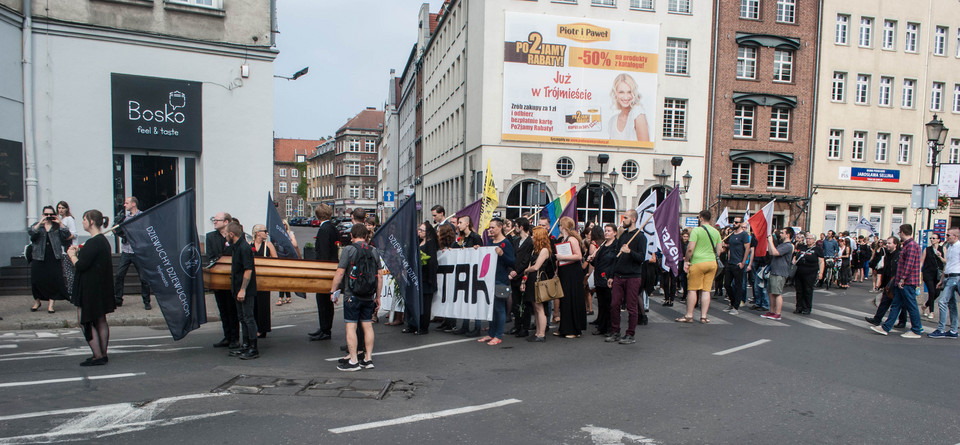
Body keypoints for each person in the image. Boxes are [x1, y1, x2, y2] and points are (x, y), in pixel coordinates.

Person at [66, 209, 116, 366]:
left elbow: (81, 265)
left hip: (90, 288)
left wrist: (72, 255)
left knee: (85, 321)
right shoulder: (101, 241)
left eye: (84, 219)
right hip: (99, 286)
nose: (82, 222)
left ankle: (98, 355)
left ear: (91, 221)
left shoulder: (95, 242)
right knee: (100, 319)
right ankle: (102, 353)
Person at [332, 224, 383, 371]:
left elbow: (340, 273)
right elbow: (379, 276)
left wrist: (333, 291)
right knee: (367, 326)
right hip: (368, 295)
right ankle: (368, 359)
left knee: (351, 326)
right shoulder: (374, 251)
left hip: (352, 295)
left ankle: (353, 360)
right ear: (366, 236)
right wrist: (378, 296)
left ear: (352, 236)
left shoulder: (349, 250)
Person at [870, 224, 924, 338]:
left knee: (911, 305)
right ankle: (886, 327)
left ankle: (916, 329)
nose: (899, 235)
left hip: (907, 282)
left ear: (903, 233)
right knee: (896, 304)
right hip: (902, 281)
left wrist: (902, 278)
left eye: (899, 233)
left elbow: (909, 265)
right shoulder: (907, 245)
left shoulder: (911, 246)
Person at [607, 210, 646, 343]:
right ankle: (615, 331)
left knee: (631, 306)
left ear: (633, 219)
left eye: (626, 218)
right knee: (614, 304)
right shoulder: (623, 236)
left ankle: (630, 334)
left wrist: (629, 252)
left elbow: (641, 258)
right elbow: (615, 259)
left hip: (633, 276)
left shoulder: (640, 237)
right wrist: (611, 276)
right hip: (619, 275)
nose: (623, 220)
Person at [677, 210, 721, 324]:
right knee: (706, 291)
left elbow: (690, 248)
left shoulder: (697, 230)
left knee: (692, 290)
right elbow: (719, 250)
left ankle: (689, 315)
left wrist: (686, 260)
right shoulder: (716, 232)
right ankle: (704, 316)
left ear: (701, 218)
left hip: (698, 262)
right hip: (711, 263)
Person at [205, 212, 240, 349]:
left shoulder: (234, 235)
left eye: (217, 220)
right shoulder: (210, 237)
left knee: (232, 309)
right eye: (213, 220)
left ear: (226, 222)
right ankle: (227, 336)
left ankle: (235, 338)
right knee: (223, 309)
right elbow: (211, 256)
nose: (214, 222)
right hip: (218, 278)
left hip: (231, 278)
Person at [478, 218, 515, 345]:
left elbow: (512, 262)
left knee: (499, 308)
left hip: (500, 280)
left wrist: (502, 254)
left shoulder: (506, 243)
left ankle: (498, 335)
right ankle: (491, 333)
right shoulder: (489, 242)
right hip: (489, 280)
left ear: (500, 227)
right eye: (490, 227)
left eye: (493, 227)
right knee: (491, 309)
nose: (490, 229)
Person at [226, 221, 259, 359]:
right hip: (237, 288)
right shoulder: (236, 247)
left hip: (245, 290)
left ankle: (253, 347)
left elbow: (248, 270)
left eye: (226, 234)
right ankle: (246, 344)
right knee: (242, 318)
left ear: (232, 234)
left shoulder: (244, 248)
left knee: (248, 317)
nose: (225, 237)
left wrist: (243, 289)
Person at [28, 205, 71, 313]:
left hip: (54, 256)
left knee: (53, 280)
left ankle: (51, 305)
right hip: (38, 256)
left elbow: (66, 235)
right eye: (46, 214)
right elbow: (31, 233)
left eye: (51, 214)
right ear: (43, 215)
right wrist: (40, 223)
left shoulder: (57, 226)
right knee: (36, 280)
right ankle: (37, 301)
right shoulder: (38, 226)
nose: (48, 216)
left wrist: (60, 223)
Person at [113, 196, 152, 309]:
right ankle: (118, 299)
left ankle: (146, 301)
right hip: (126, 250)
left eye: (127, 203)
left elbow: (146, 231)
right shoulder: (124, 218)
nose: (124, 205)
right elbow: (117, 230)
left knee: (143, 278)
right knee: (119, 275)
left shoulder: (142, 216)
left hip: (138, 251)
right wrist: (117, 228)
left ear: (133, 204)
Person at [310, 204, 338, 341]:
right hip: (332, 267)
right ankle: (324, 328)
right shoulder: (333, 228)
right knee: (327, 301)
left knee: (322, 301)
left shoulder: (323, 230)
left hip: (324, 269)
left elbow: (323, 252)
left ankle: (325, 329)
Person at [865, 236, 907, 328]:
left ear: (895, 244)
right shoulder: (887, 254)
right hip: (888, 281)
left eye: (889, 243)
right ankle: (877, 319)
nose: (887, 245)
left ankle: (902, 321)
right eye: (887, 243)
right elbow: (884, 268)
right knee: (885, 301)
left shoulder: (899, 255)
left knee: (899, 303)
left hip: (895, 281)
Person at [553, 216, 584, 338]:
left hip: (572, 272)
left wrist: (562, 257)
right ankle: (565, 328)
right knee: (564, 300)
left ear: (564, 226)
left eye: (560, 225)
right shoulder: (563, 239)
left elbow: (578, 256)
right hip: (564, 271)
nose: (559, 227)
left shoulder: (572, 239)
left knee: (571, 299)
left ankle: (573, 330)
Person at [522, 226, 555, 342]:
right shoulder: (535, 249)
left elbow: (536, 266)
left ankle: (541, 334)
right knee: (536, 308)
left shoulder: (544, 250)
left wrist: (526, 270)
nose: (531, 237)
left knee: (540, 308)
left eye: (533, 235)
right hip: (532, 279)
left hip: (539, 279)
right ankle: (537, 332)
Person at [452, 215, 483, 336]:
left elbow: (481, 252)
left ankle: (477, 327)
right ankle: (465, 326)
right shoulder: (461, 238)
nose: (458, 225)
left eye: (460, 223)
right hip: (464, 271)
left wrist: (476, 249)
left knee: (475, 300)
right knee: (465, 300)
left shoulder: (475, 237)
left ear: (467, 224)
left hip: (474, 272)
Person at [930, 227, 960, 338]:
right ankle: (953, 330)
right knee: (951, 304)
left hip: (956, 277)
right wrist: (942, 280)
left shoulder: (958, 247)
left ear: (955, 236)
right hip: (948, 276)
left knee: (942, 302)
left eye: (948, 235)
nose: (946, 237)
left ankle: (941, 329)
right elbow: (947, 265)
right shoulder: (949, 247)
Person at [588, 223, 617, 335]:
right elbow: (598, 262)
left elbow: (614, 262)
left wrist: (611, 276)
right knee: (601, 303)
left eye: (609, 230)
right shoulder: (602, 245)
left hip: (608, 277)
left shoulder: (616, 245)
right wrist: (592, 259)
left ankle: (610, 327)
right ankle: (602, 326)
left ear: (614, 233)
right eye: (605, 230)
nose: (606, 232)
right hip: (599, 277)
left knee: (609, 304)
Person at [509, 217, 534, 338]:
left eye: (516, 226)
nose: (515, 228)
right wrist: (511, 271)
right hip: (514, 276)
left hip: (523, 276)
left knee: (525, 304)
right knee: (516, 302)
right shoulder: (515, 241)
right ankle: (517, 325)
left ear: (521, 227)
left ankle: (525, 327)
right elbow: (512, 257)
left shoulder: (530, 242)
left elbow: (526, 260)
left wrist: (517, 272)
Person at [763, 227, 794, 321]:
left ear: (788, 235)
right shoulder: (782, 244)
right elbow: (771, 252)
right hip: (774, 270)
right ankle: (772, 311)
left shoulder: (788, 245)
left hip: (780, 272)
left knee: (777, 293)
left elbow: (776, 252)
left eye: (782, 233)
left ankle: (778, 313)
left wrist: (770, 241)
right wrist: (769, 242)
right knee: (771, 292)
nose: (780, 234)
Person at [607, 73, 650, 142]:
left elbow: (645, 150)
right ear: (615, 94)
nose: (626, 97)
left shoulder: (638, 114)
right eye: (621, 92)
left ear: (634, 93)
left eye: (629, 92)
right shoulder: (612, 121)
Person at [251, 224, 276, 339]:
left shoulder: (268, 245)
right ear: (258, 233)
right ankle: (254, 326)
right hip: (252, 279)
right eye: (264, 231)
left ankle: (263, 328)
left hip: (264, 280)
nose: (266, 233)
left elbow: (276, 261)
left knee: (263, 304)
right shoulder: (249, 245)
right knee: (253, 304)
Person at [723, 219, 751, 315]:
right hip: (730, 263)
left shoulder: (744, 235)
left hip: (738, 263)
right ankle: (732, 302)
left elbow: (747, 249)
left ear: (741, 224)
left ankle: (736, 306)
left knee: (738, 285)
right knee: (727, 284)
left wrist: (743, 262)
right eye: (733, 222)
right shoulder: (732, 234)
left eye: (736, 222)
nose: (734, 223)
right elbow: (728, 246)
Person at [416, 221, 439, 335]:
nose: (419, 232)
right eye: (419, 230)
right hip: (419, 278)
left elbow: (432, 262)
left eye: (422, 230)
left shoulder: (430, 243)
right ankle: (417, 324)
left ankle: (424, 327)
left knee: (426, 304)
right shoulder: (419, 242)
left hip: (426, 278)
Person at [793, 233, 824, 315]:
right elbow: (796, 256)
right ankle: (798, 307)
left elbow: (821, 262)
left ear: (814, 240)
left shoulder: (817, 249)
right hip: (799, 272)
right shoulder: (802, 247)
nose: (808, 240)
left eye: (810, 238)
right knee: (799, 290)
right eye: (807, 238)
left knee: (808, 290)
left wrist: (821, 273)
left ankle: (806, 307)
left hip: (811, 273)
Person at [921, 232, 945, 319]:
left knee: (937, 293)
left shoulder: (943, 249)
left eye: (934, 238)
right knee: (931, 291)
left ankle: (925, 305)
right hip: (928, 273)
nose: (932, 240)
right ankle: (931, 312)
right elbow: (922, 261)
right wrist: (919, 273)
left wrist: (940, 257)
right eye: (931, 238)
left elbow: (945, 262)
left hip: (938, 274)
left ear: (938, 240)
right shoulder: (927, 249)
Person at [276, 219, 298, 306]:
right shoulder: (278, 234)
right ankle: (287, 297)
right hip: (281, 258)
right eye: (281, 224)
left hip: (288, 258)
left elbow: (295, 244)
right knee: (282, 278)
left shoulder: (290, 233)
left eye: (284, 224)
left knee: (285, 278)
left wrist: (287, 240)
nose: (283, 226)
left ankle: (281, 298)